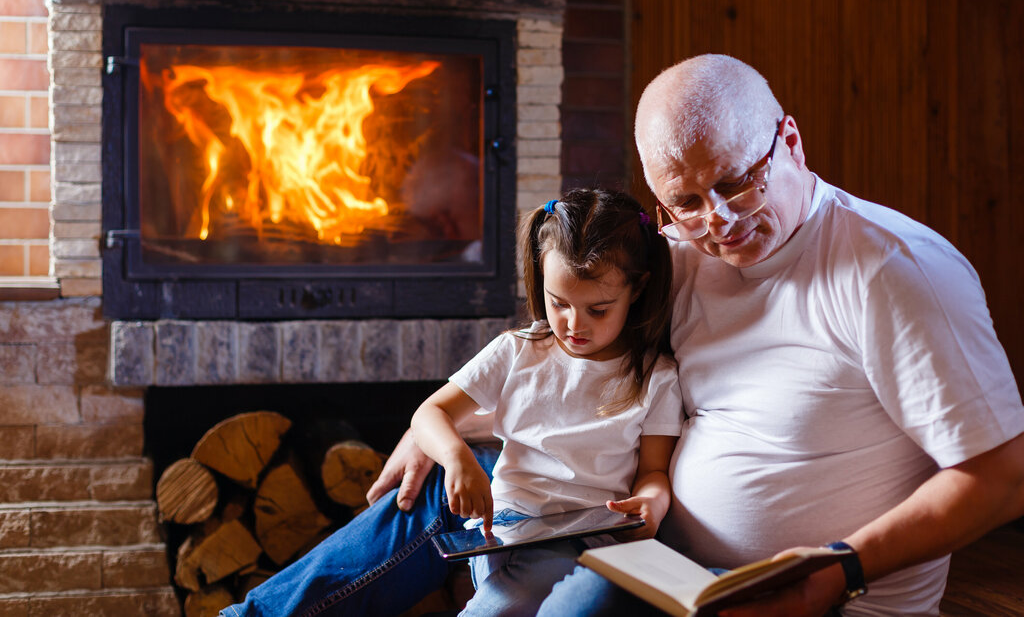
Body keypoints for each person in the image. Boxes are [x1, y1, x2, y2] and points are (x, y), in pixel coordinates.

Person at [223, 54, 1024, 617]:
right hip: (648, 538)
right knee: (459, 474)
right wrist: (435, 425)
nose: (720, 221)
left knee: (583, 594)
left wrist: (836, 569)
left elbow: (1001, 475)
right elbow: (571, 339)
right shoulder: (675, 257)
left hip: (802, 595)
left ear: (790, 141)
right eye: (687, 201)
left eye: (739, 180)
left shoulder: (891, 271)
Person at [410, 188, 682, 615]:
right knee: (519, 595)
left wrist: (652, 503)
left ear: (637, 288)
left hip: (599, 534)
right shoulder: (519, 350)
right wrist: (456, 457)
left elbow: (653, 471)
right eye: (559, 303)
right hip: (516, 526)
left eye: (598, 310)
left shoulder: (656, 375)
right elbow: (430, 412)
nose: (574, 325)